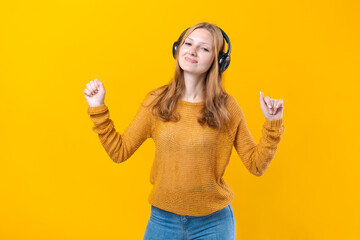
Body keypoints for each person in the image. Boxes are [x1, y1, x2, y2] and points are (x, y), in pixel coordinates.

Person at [84, 22, 285, 240]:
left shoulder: (227, 108)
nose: (192, 51)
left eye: (204, 48)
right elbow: (119, 152)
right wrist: (98, 108)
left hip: (214, 224)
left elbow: (256, 165)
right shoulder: (157, 101)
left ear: (218, 62)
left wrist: (272, 124)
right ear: (177, 49)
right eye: (188, 43)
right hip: (163, 220)